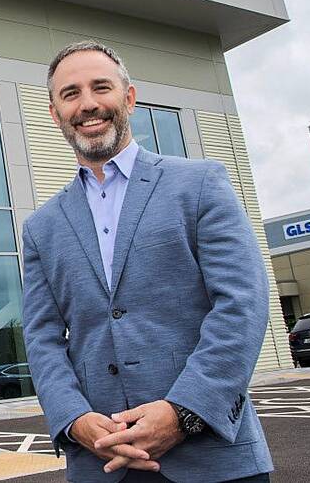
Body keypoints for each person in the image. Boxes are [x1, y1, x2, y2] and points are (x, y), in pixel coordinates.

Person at [21, 40, 273, 482]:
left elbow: (241, 305)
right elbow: (42, 337)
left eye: (101, 87)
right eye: (71, 93)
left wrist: (184, 413)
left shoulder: (199, 185)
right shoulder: (42, 226)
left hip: (211, 457)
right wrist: (74, 418)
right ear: (55, 113)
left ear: (129, 98)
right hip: (101, 459)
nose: (88, 104)